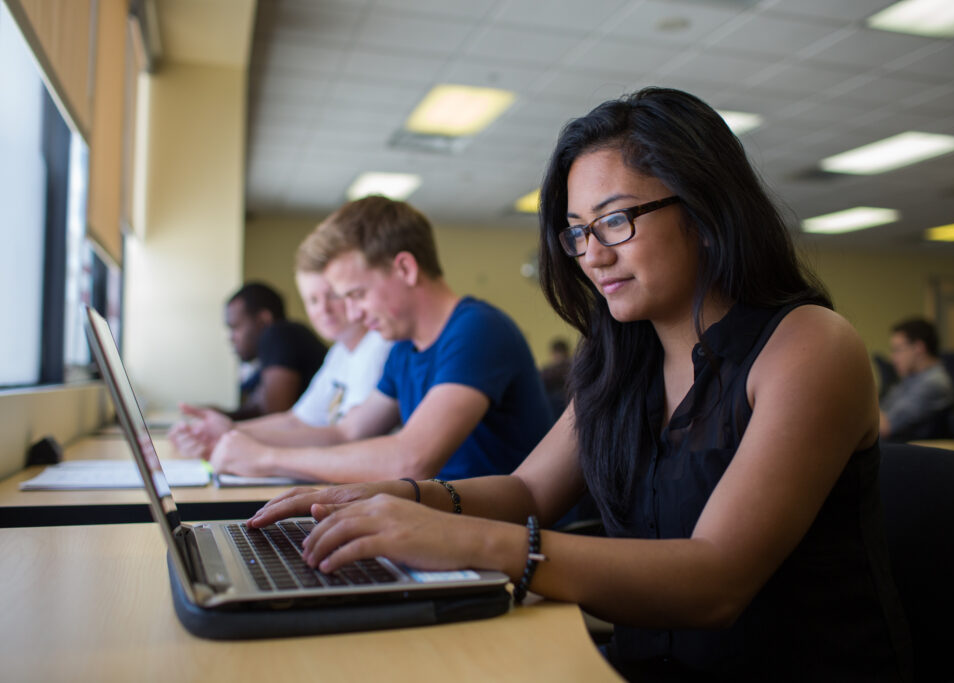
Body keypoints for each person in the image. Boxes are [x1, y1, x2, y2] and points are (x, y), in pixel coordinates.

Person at [248, 88, 912, 681]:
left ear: (706, 210)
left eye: (615, 220)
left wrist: (464, 539)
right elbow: (529, 490)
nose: (591, 253)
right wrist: (386, 496)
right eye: (576, 232)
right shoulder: (619, 355)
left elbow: (716, 578)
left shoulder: (809, 346)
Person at [207, 196, 552, 484]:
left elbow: (412, 460)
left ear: (405, 268)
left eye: (357, 294)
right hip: (445, 524)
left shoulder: (477, 330)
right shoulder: (403, 348)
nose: (353, 314)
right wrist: (241, 439)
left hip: (509, 540)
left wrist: (267, 459)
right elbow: (346, 433)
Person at [169, 258, 392, 460]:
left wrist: (239, 439)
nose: (323, 309)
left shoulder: (379, 345)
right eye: (313, 300)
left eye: (332, 295)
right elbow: (296, 420)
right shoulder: (340, 352)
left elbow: (346, 436)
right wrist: (229, 429)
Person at [217, 282, 326, 420]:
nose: (231, 338)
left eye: (236, 327)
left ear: (264, 320)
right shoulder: (277, 345)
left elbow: (274, 417)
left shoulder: (279, 334)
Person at [879, 317, 954, 441]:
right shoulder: (912, 377)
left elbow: (885, 427)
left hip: (908, 454)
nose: (893, 358)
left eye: (897, 350)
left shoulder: (934, 383)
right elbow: (881, 411)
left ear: (918, 348)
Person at [539, 337, 572, 415]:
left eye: (558, 353)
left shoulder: (569, 367)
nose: (556, 356)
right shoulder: (549, 369)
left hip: (560, 404)